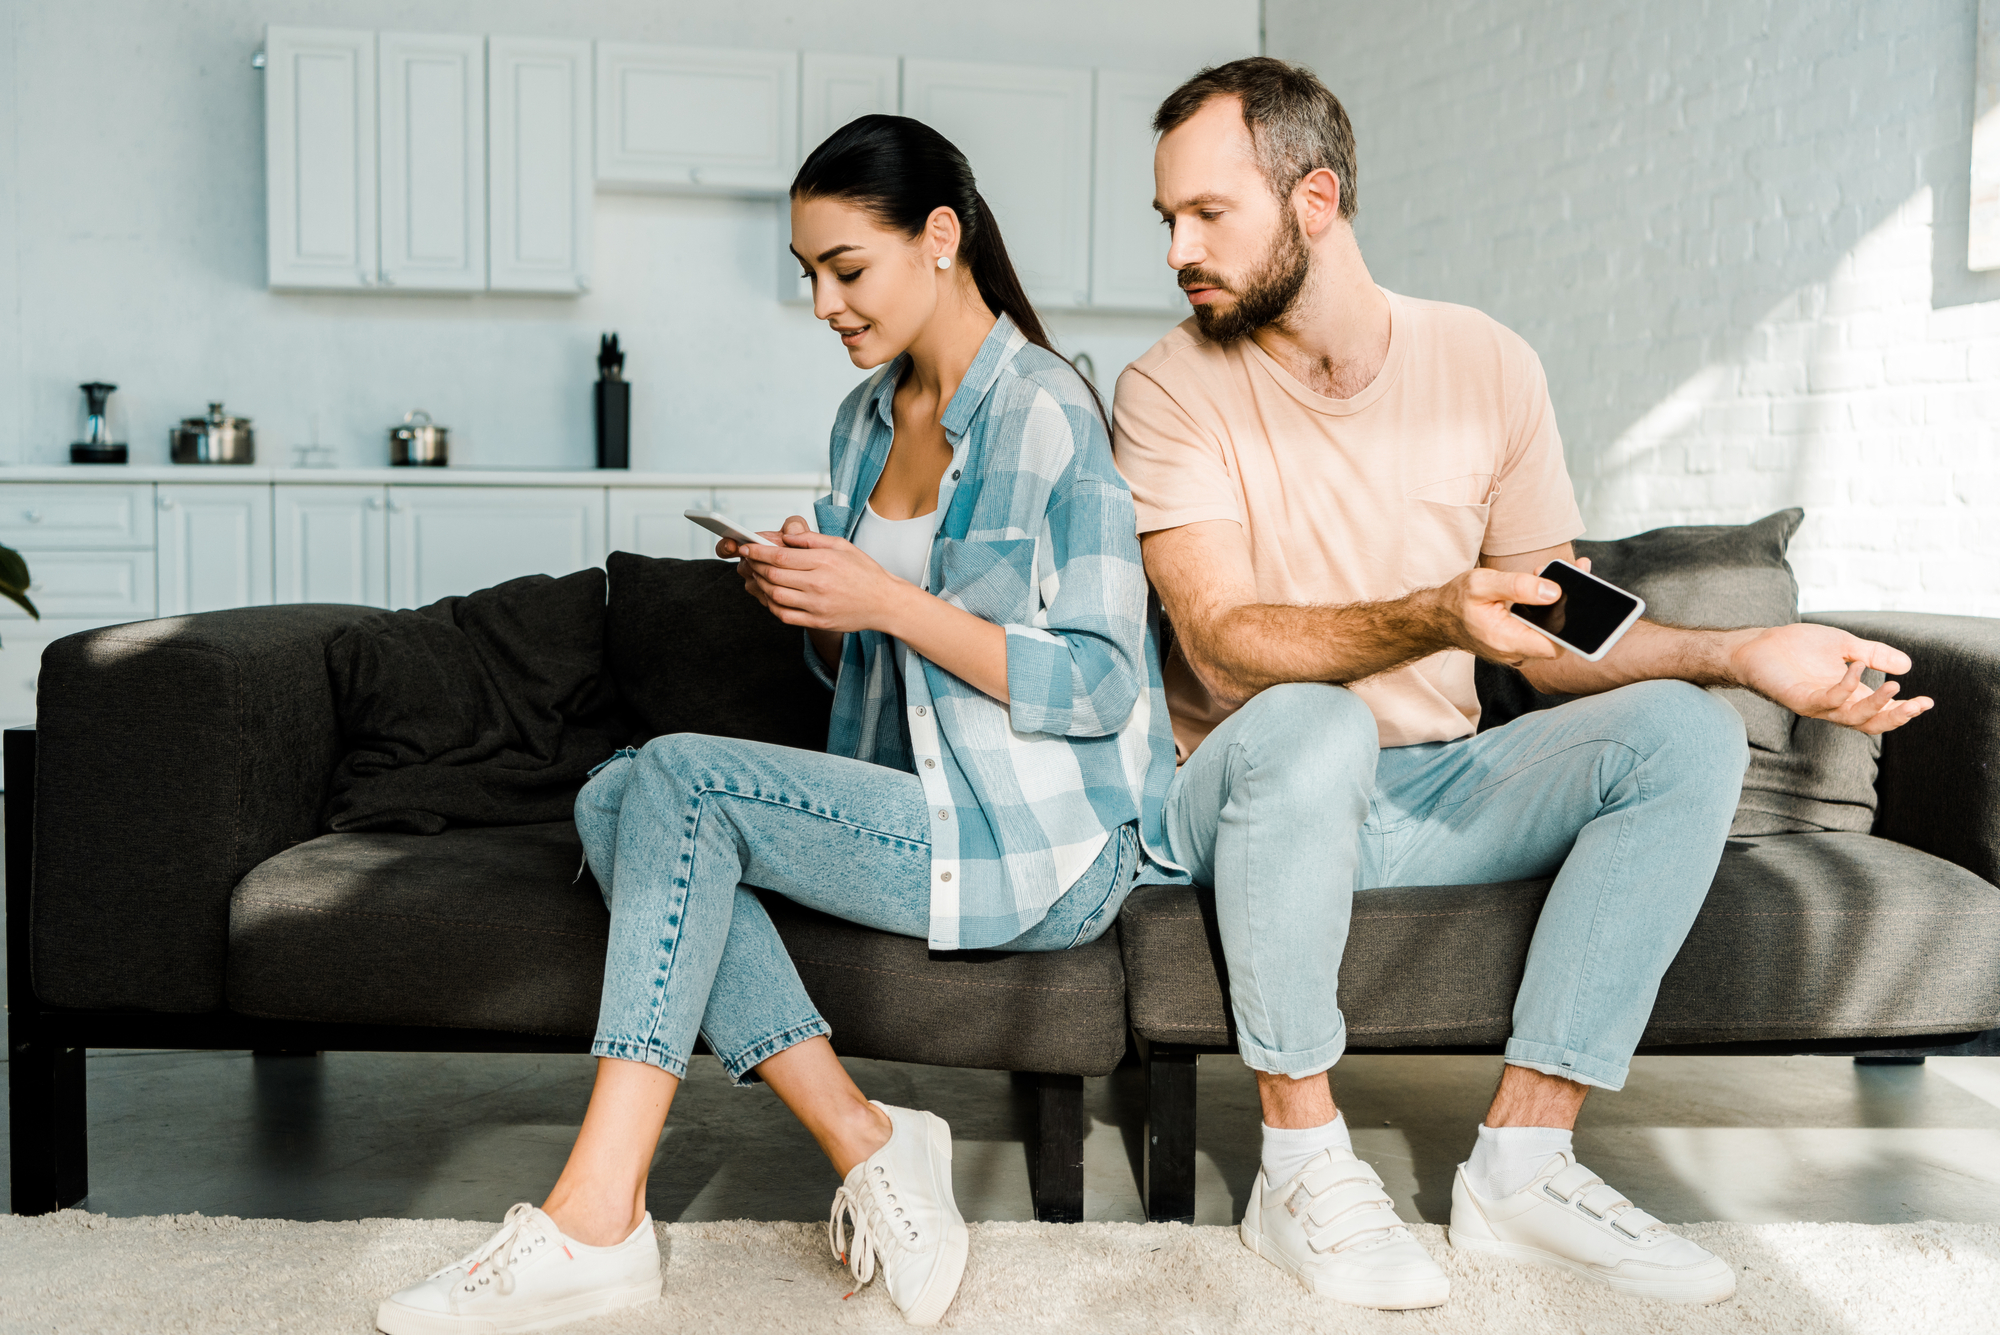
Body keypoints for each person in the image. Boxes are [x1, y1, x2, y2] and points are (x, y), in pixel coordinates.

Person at [1112, 57, 1934, 1312]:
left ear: (1314, 199)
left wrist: (1737, 652)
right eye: (1164, 217)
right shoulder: (1168, 387)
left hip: (1435, 788)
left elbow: (1553, 626)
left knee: (1679, 735)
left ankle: (1523, 1167)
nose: (1176, 246)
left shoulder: (1484, 366)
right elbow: (1221, 644)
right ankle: (1298, 1164)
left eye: (1206, 213)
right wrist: (1432, 611)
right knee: (1317, 722)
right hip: (1244, 796)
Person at [373, 114, 1183, 1335]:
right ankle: (864, 1136)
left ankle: (597, 1216)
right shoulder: (862, 423)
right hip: (914, 804)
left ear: (940, 239)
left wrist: (890, 603)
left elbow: (1101, 685)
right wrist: (813, 601)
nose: (822, 304)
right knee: (613, 793)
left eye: (844, 269)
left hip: (1046, 839)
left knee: (676, 782)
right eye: (808, 275)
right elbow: (864, 666)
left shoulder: (1049, 416)